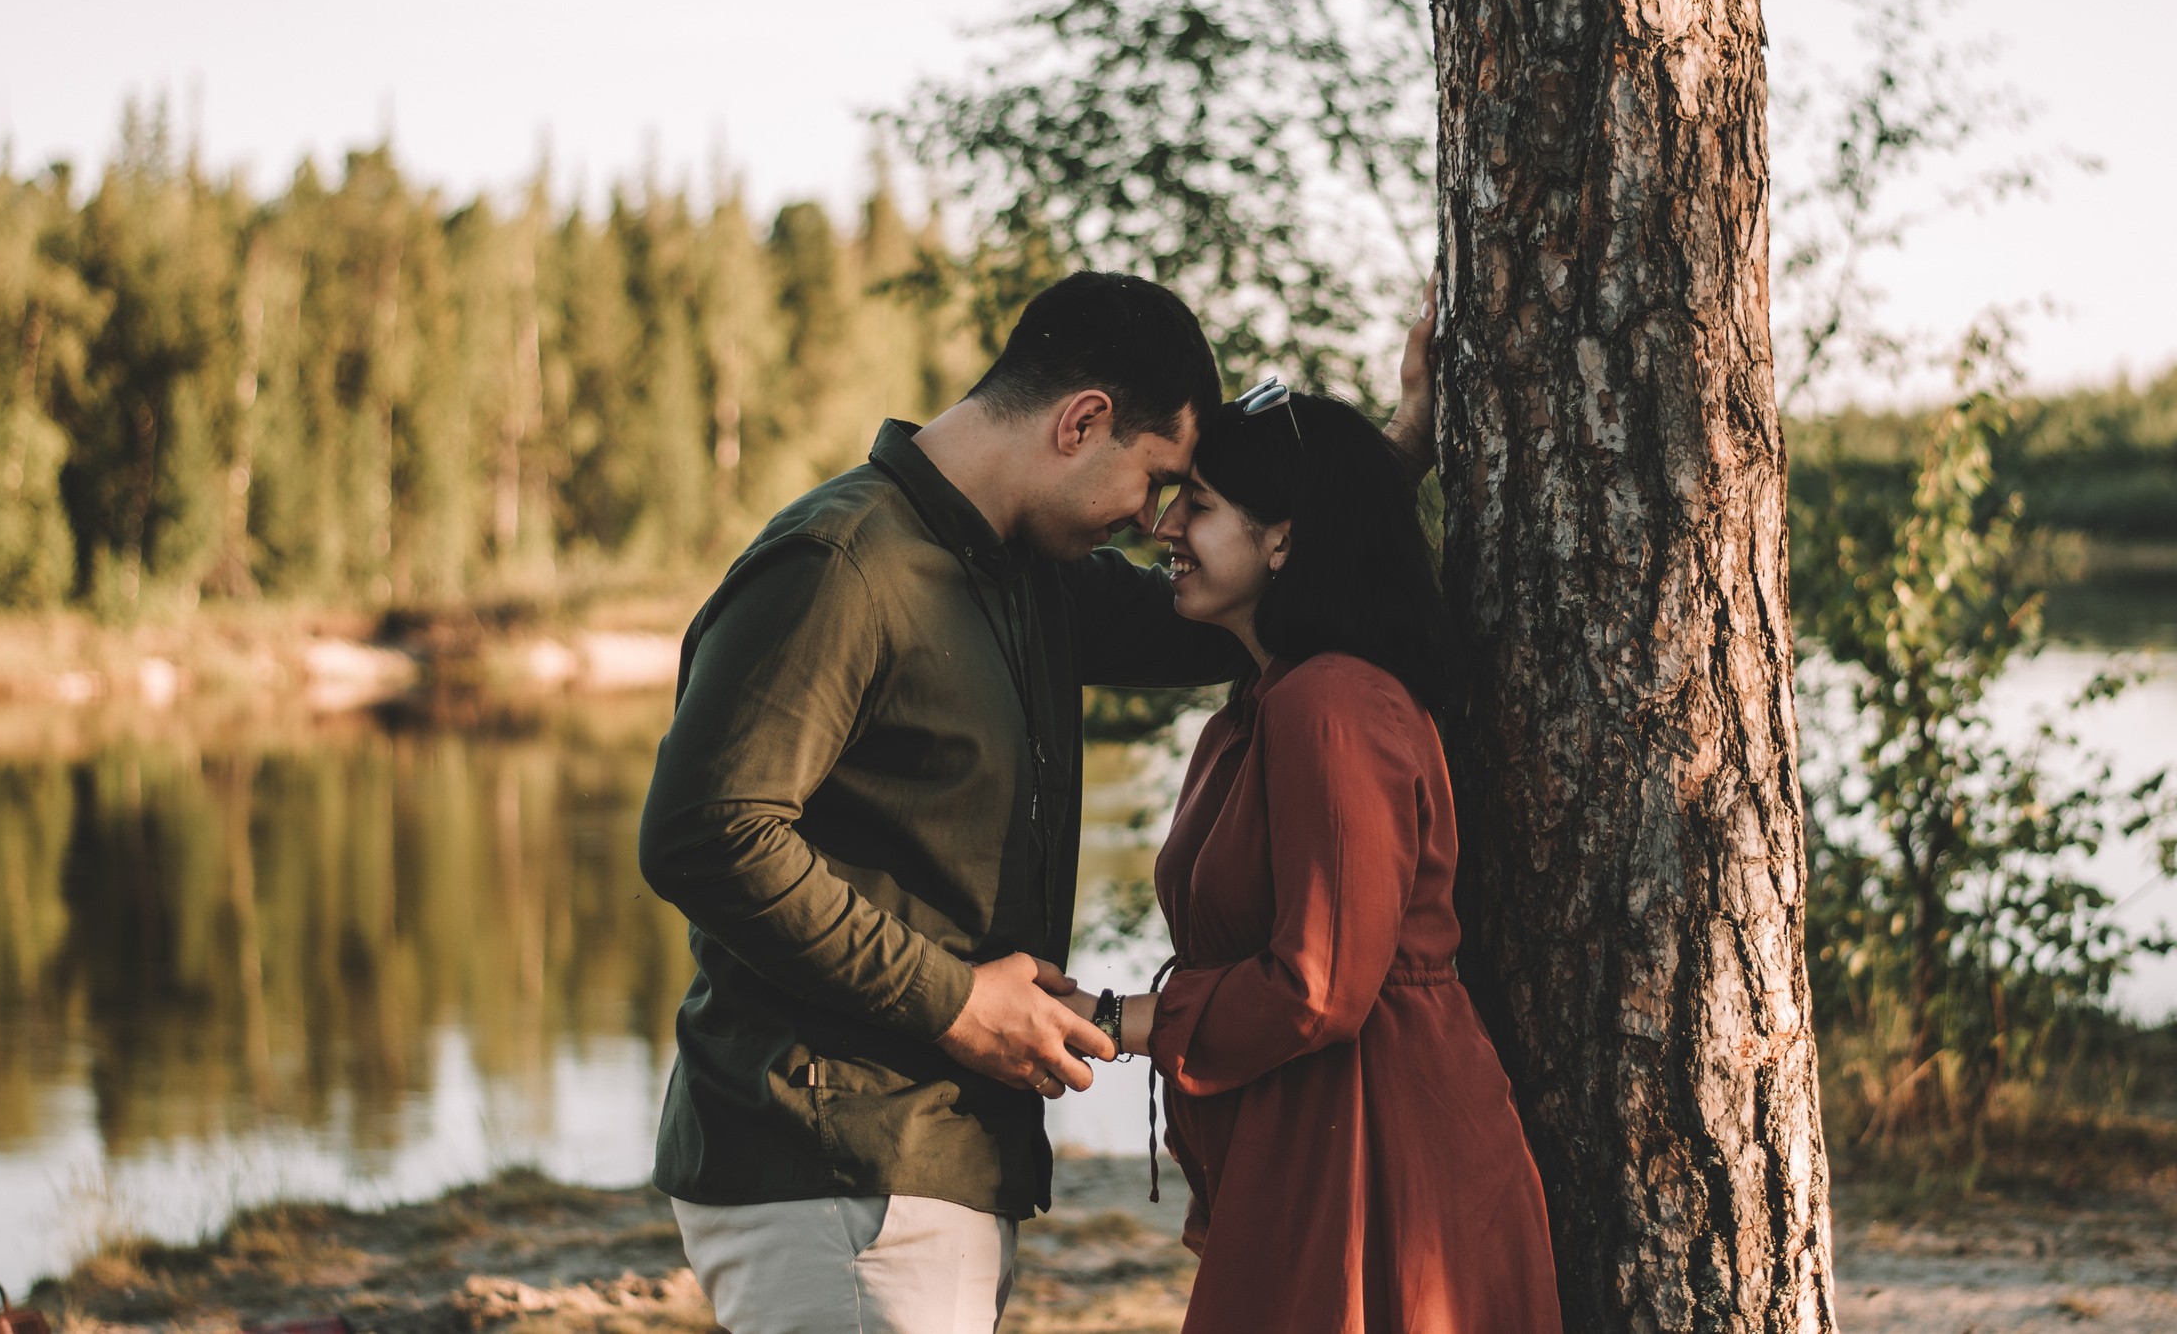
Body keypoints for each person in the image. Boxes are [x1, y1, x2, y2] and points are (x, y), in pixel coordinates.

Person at [637, 271, 1433, 1334]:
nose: (1154, 521)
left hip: (923, 1168)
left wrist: (1392, 454)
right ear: (1083, 421)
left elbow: (1245, 590)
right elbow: (706, 834)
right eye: (1155, 479)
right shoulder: (842, 566)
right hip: (834, 1162)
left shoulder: (1024, 578)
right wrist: (957, 1001)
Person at [1097, 382, 1561, 1333]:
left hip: (1380, 1164)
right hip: (1303, 1145)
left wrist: (1114, 1018)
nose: (1166, 525)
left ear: (1282, 538)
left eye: (1202, 504)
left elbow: (1317, 984)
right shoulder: (1257, 710)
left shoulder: (1332, 704)